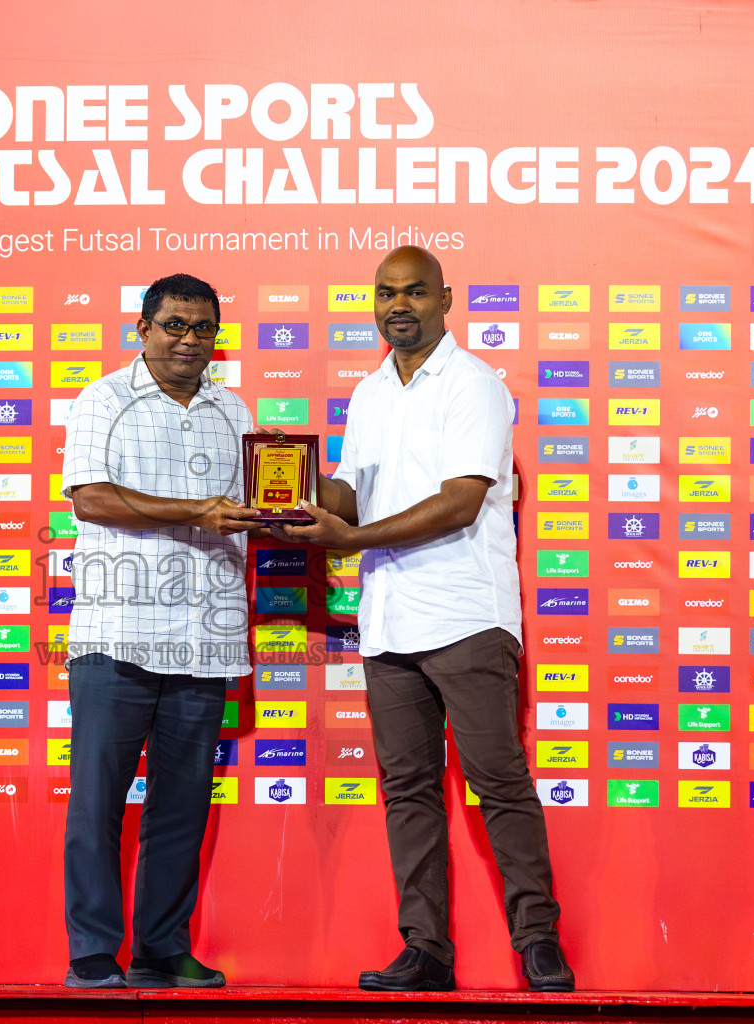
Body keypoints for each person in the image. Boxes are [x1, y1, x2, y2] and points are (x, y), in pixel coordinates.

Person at [275, 247, 574, 992]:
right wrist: (295, 501)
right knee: (408, 789)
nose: (397, 305)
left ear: (445, 299)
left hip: (466, 613)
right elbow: (353, 489)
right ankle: (426, 949)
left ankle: (538, 938)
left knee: (498, 780)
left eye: (413, 292)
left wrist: (352, 539)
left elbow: (461, 499)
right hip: (389, 618)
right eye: (385, 293)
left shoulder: (474, 384)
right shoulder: (371, 391)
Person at [59, 272, 261, 989]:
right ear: (142, 329)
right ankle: (91, 950)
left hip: (204, 641)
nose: (188, 340)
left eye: (203, 328)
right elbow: (91, 498)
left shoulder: (234, 410)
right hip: (117, 638)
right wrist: (196, 511)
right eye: (174, 325)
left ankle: (159, 949)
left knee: (180, 810)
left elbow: (264, 496)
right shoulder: (102, 399)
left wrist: (303, 501)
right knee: (97, 804)